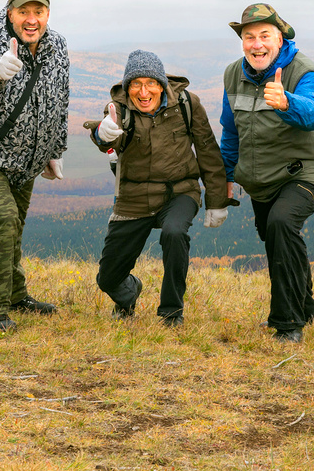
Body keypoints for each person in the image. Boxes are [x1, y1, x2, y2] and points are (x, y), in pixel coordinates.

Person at [84, 50, 234, 326]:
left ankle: (171, 312)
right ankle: (128, 293)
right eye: (136, 84)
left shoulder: (187, 104)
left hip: (179, 191)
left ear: (162, 84)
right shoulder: (118, 109)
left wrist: (216, 202)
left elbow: (208, 151)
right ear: (127, 87)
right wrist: (101, 135)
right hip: (134, 196)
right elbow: (109, 136)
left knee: (174, 233)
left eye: (151, 83)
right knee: (107, 278)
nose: (144, 92)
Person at [219, 4, 314, 343]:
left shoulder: (303, 72)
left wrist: (287, 102)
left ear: (280, 38)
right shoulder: (233, 74)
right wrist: (226, 177)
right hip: (261, 178)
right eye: (249, 37)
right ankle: (307, 307)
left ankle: (287, 323)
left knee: (282, 224)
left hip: (306, 170)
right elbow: (231, 130)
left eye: (264, 36)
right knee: (275, 238)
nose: (257, 44)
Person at [0, 0, 69, 332]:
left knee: (15, 226)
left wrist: (54, 150)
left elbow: (60, 99)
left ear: (48, 14)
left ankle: (15, 295)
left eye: (38, 11)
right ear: (10, 13)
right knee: (5, 218)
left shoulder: (58, 46)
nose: (31, 19)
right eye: (23, 12)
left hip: (27, 162)